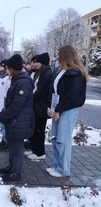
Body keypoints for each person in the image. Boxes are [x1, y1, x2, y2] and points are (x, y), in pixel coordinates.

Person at [46, 45, 89, 177]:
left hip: (67, 110)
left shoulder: (76, 73)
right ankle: (56, 165)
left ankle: (63, 169)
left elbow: (72, 95)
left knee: (63, 140)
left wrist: (58, 109)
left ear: (65, 56)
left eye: (59, 54)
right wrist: (50, 106)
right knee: (55, 138)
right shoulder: (62, 71)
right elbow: (54, 90)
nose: (57, 57)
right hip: (58, 108)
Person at [0, 54, 34, 182]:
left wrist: (4, 115)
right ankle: (11, 167)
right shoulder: (17, 80)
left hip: (19, 121)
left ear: (13, 69)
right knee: (12, 146)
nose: (6, 70)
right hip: (14, 120)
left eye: (7, 68)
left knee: (17, 148)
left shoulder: (23, 82)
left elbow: (17, 105)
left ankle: (16, 173)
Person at [26, 52, 54, 160]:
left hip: (41, 107)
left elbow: (40, 91)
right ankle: (34, 150)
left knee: (39, 130)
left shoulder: (47, 74)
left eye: (37, 62)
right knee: (35, 129)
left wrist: (29, 99)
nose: (34, 64)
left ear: (42, 63)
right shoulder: (39, 72)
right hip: (36, 105)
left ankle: (40, 152)